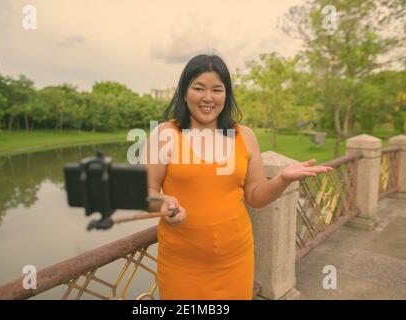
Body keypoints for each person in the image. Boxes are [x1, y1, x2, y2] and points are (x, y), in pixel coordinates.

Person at [143, 54, 333, 300]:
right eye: (198, 88)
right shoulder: (165, 134)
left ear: (227, 94)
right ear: (185, 91)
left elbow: (255, 197)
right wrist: (163, 204)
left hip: (236, 260)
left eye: (217, 89)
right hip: (181, 263)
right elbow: (145, 192)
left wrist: (283, 179)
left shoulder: (245, 136)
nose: (208, 97)